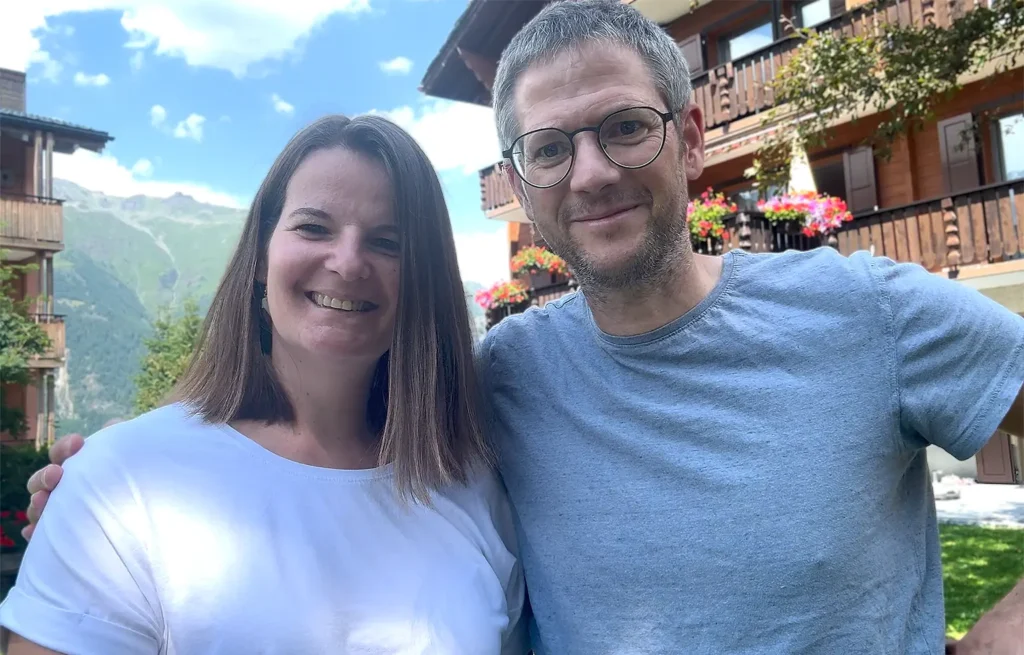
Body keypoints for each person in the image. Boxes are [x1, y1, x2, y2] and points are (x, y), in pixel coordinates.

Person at [20, 0, 1024, 653]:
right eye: (548, 147)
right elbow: (316, 433)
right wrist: (110, 478)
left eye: (622, 127)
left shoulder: (863, 311)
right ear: (521, 181)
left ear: (689, 136)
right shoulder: (499, 381)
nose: (589, 171)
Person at [0, 114, 527, 654]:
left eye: (388, 242)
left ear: (423, 279)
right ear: (259, 257)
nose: (347, 263)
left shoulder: (472, 488)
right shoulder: (122, 481)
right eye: (314, 228)